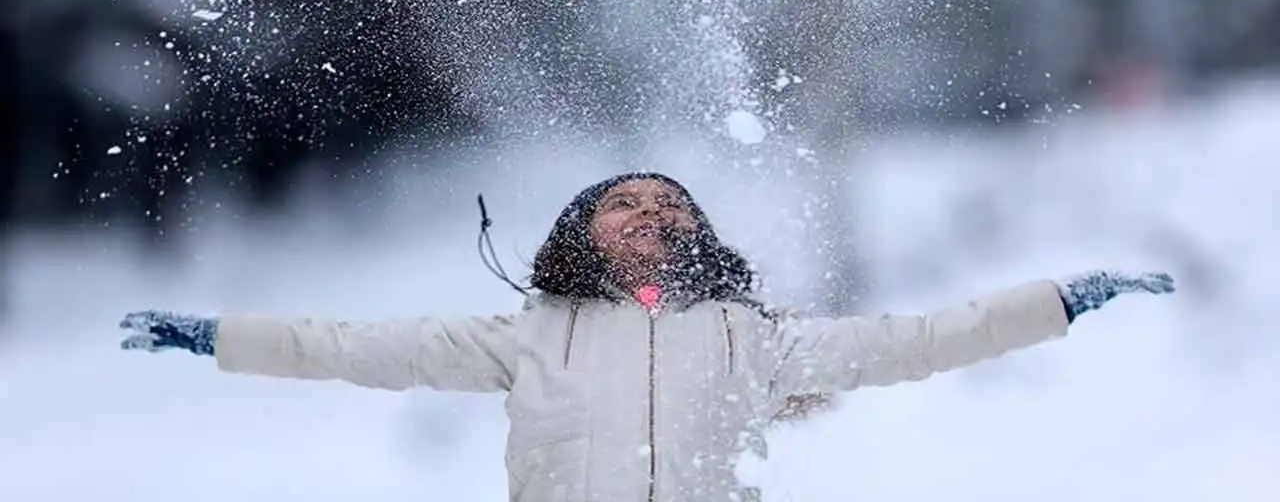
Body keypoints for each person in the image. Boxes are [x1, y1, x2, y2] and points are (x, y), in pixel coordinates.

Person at [120, 172, 1175, 502]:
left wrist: (1060, 300)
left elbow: (917, 339)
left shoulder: (750, 340)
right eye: (622, 202)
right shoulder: (524, 335)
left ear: (696, 235)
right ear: (577, 232)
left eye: (669, 204)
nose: (649, 213)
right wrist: (214, 335)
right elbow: (348, 343)